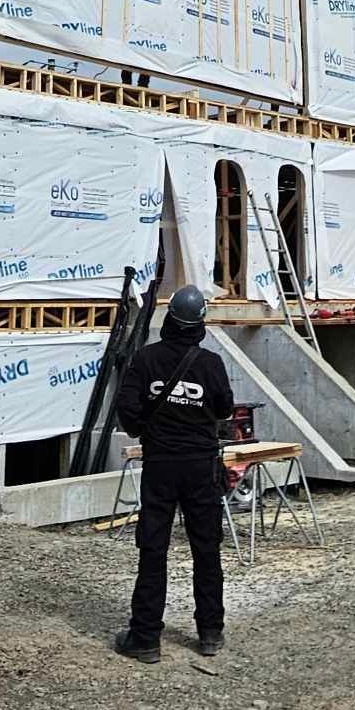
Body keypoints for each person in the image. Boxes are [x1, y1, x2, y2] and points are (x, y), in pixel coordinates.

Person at [113, 284, 234, 663]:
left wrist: (153, 425)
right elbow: (225, 409)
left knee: (153, 549)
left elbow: (127, 412)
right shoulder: (210, 363)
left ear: (170, 320)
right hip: (200, 466)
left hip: (161, 467)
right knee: (206, 548)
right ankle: (210, 632)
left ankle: (146, 637)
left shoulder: (146, 360)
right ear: (200, 322)